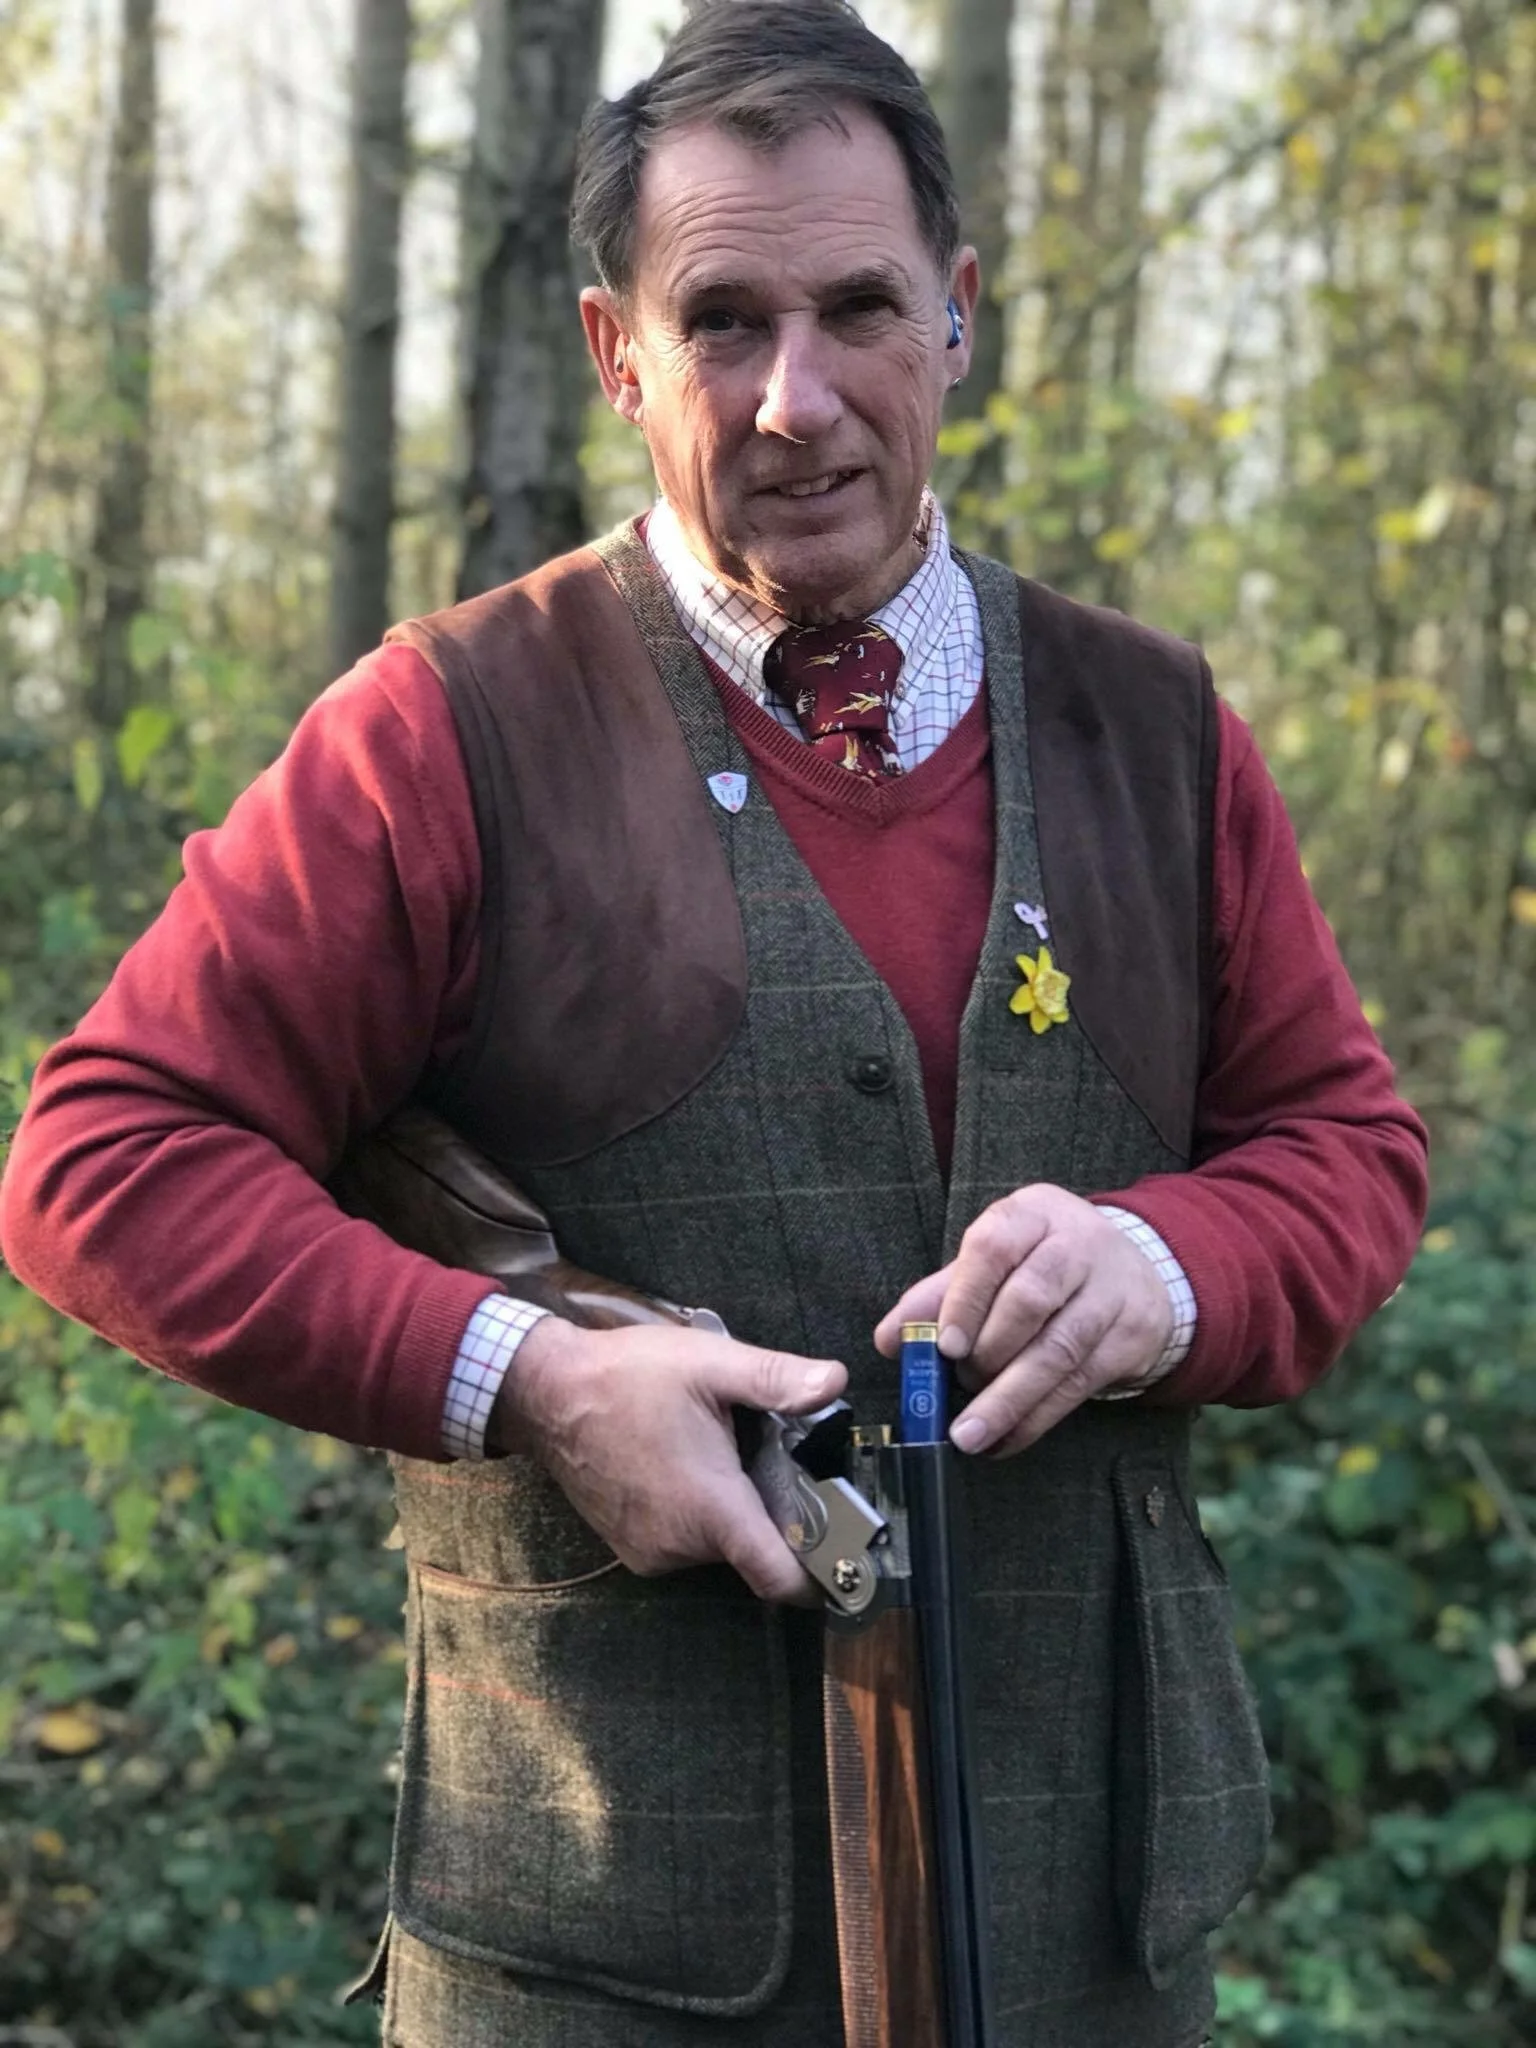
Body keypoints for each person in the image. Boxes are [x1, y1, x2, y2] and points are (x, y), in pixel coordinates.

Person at [0, 3, 1428, 2043]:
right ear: (614, 356)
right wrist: (527, 1377)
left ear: (956, 317)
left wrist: (1168, 1263)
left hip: (1090, 1940)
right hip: (593, 1951)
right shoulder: (445, 729)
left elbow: (1348, 1152)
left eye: (858, 308)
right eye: (721, 321)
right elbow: (101, 1160)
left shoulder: (1157, 729)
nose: (796, 398)